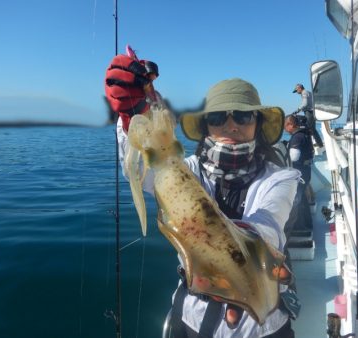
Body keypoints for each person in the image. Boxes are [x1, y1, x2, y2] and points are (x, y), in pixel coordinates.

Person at [105, 53, 301, 337]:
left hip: (259, 328)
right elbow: (147, 171)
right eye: (219, 117)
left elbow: (269, 222)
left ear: (257, 123)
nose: (231, 125)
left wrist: (247, 260)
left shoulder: (281, 177)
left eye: (244, 116)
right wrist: (130, 116)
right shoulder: (189, 170)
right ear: (207, 124)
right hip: (191, 319)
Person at [283, 115, 314, 234]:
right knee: (302, 200)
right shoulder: (304, 135)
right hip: (306, 171)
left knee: (297, 200)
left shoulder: (297, 137)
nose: (285, 129)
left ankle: (300, 227)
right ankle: (306, 224)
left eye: (286, 126)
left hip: (300, 172)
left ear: (291, 125)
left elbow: (294, 157)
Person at [292, 83, 324, 148]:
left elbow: (305, 103)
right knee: (312, 129)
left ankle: (317, 144)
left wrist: (297, 110)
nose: (297, 92)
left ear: (300, 88)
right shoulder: (308, 92)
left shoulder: (304, 92)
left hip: (309, 112)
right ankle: (317, 143)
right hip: (312, 112)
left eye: (296, 90)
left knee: (310, 129)